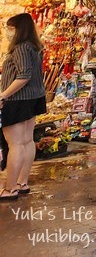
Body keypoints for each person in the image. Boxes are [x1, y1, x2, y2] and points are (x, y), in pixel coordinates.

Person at [0, 13, 47, 199]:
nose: (7, 31)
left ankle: (10, 188)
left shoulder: (20, 48)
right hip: (34, 98)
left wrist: (3, 94)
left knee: (16, 144)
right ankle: (22, 182)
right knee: (27, 141)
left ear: (19, 29)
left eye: (10, 28)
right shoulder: (35, 47)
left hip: (18, 101)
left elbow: (24, 75)